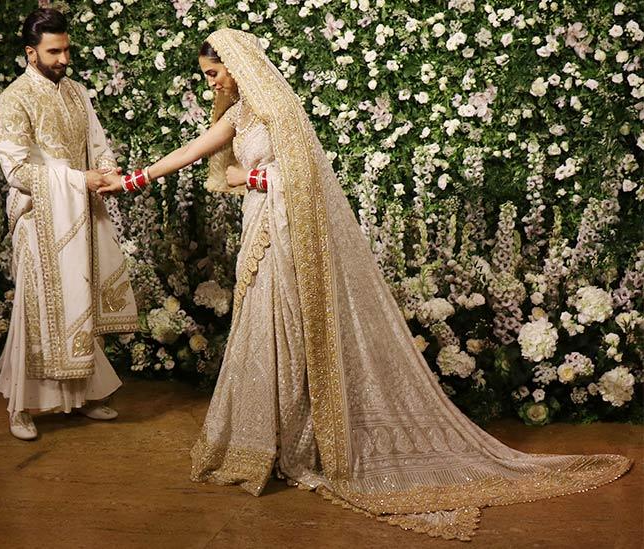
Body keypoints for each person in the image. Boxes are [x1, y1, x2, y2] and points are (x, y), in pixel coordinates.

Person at [102, 29, 631, 540]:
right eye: (207, 76)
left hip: (288, 239)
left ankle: (298, 442)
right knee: (261, 329)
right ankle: (267, 442)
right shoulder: (239, 115)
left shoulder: (280, 113)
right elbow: (195, 151)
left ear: (238, 67)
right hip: (261, 233)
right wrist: (131, 180)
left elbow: (307, 179)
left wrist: (252, 177)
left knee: (285, 326)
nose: (212, 84)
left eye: (215, 73)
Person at [0, 8, 138, 441]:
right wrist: (79, 180)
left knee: (80, 300)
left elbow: (97, 142)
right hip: (38, 219)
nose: (64, 59)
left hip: (79, 211)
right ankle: (21, 406)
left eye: (66, 49)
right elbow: (17, 171)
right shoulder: (12, 100)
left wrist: (108, 172)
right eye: (53, 51)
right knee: (35, 312)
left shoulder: (75, 92)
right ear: (30, 53)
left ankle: (82, 397)